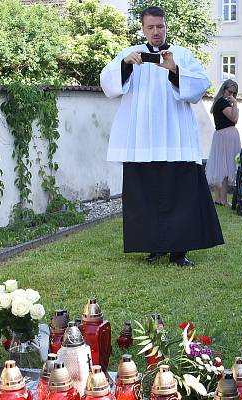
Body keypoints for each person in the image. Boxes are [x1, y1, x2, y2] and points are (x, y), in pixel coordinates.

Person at [100, 6, 223, 266]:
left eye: (160, 26)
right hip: (142, 140)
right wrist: (125, 65)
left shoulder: (181, 54)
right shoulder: (131, 54)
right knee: (145, 196)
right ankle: (153, 246)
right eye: (150, 27)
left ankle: (179, 252)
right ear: (143, 28)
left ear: (166, 26)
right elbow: (108, 84)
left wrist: (174, 70)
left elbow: (200, 86)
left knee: (181, 195)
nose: (156, 32)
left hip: (175, 139)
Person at [206, 79, 241, 206]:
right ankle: (223, 200)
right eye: (230, 92)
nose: (231, 95)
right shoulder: (221, 103)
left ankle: (219, 199)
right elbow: (234, 118)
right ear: (224, 89)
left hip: (224, 137)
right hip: (225, 137)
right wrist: (235, 104)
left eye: (234, 94)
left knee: (220, 167)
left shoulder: (221, 102)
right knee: (223, 169)